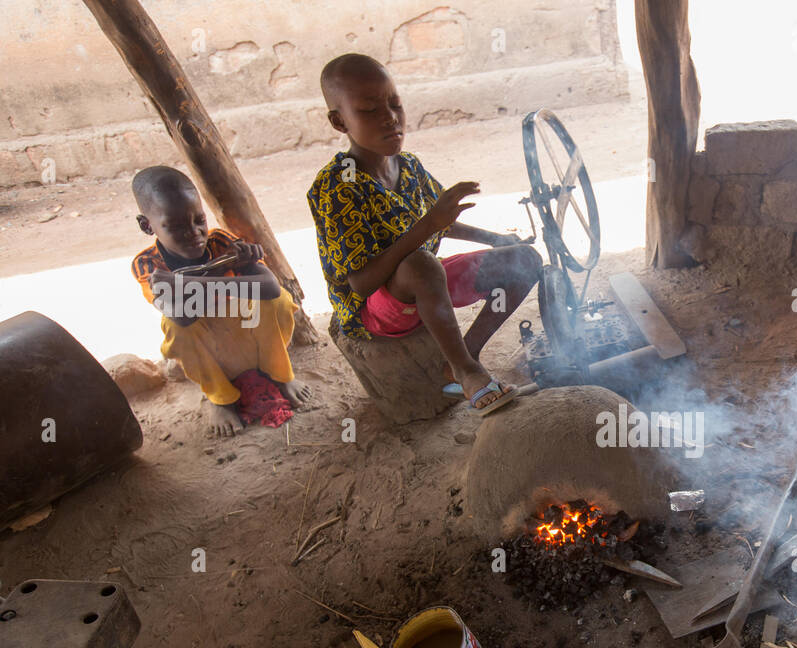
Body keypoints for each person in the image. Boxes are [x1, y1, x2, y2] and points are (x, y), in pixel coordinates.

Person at [308, 53, 542, 415]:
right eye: (370, 110)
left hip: (425, 287)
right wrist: (429, 225)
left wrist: (496, 240)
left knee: (524, 261)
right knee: (420, 263)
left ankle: (464, 357)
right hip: (375, 312)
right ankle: (467, 372)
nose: (390, 117)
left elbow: (441, 219)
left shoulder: (409, 166)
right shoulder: (338, 185)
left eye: (395, 104)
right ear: (339, 122)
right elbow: (361, 283)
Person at [130, 166, 310, 437]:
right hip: (211, 355)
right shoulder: (148, 264)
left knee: (279, 302)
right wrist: (227, 277)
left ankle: (280, 375)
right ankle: (221, 398)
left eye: (199, 220)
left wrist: (190, 283)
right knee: (175, 329)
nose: (194, 232)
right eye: (176, 226)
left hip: (252, 342)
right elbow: (181, 316)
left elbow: (271, 289)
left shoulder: (221, 241)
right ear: (147, 225)